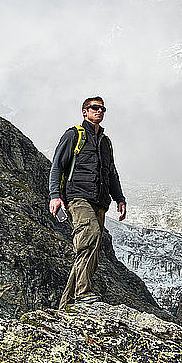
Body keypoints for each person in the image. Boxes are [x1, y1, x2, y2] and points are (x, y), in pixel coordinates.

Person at [49, 96, 126, 309]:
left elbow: (111, 173)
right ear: (85, 111)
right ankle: (83, 293)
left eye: (102, 109)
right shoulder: (74, 135)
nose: (99, 111)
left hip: (100, 201)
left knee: (90, 247)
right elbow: (57, 166)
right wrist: (55, 195)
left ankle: (67, 305)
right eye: (95, 108)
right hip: (77, 197)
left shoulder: (105, 142)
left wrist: (119, 198)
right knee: (89, 235)